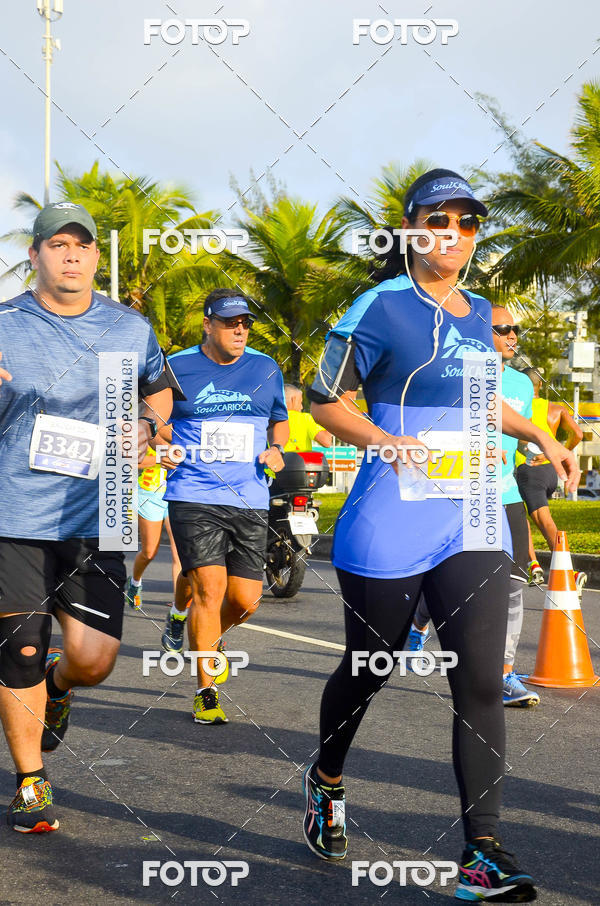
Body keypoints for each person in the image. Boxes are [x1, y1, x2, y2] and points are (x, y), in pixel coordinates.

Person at [302, 169, 579, 902]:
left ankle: (482, 850)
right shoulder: (378, 305)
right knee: (371, 668)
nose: (452, 233)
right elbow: (321, 399)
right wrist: (385, 440)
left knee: (481, 680)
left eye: (466, 222)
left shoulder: (480, 310)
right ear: (411, 228)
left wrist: (543, 435)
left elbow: (485, 403)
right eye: (438, 219)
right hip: (390, 516)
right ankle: (327, 778)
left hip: (470, 517)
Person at [0, 202, 174, 833]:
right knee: (19, 646)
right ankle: (31, 782)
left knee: (94, 659)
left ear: (97, 256)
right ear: (35, 256)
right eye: (56, 245)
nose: (70, 256)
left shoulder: (129, 329)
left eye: (82, 246)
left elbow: (158, 390)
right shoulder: (4, 323)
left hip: (97, 511)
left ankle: (60, 685)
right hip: (14, 510)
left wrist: (148, 425)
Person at [159, 288, 289, 724]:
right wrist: (163, 446)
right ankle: (206, 691)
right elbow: (154, 422)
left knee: (246, 600)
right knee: (209, 591)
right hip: (194, 494)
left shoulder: (265, 367)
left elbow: (280, 421)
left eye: (246, 323)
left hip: (249, 496)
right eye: (230, 322)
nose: (240, 329)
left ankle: (208, 640)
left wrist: (277, 449)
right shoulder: (175, 367)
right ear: (207, 325)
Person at [406, 305, 541, 708]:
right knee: (450, 578)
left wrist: (531, 450)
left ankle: (502, 676)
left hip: (506, 493)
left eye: (516, 328)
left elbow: (517, 433)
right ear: (482, 335)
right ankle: (417, 621)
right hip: (462, 492)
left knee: (514, 587)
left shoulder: (522, 384)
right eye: (503, 329)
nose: (513, 335)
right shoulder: (454, 374)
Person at [515, 368, 585, 591]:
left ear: (523, 386)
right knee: (519, 514)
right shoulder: (556, 409)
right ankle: (533, 564)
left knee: (544, 522)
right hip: (550, 472)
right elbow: (578, 434)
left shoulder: (516, 408)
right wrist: (562, 453)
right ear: (541, 386)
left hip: (529, 470)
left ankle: (570, 573)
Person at [124, 446, 182, 611]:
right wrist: (161, 458)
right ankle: (135, 582)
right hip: (150, 495)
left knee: (179, 552)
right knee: (149, 552)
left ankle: (178, 606)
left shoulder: (185, 427)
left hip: (177, 494)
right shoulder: (149, 428)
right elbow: (133, 461)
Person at [284, 384, 332, 451]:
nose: (302, 407)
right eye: (300, 402)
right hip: (298, 461)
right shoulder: (305, 418)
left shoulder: (270, 419)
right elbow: (326, 441)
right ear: (293, 400)